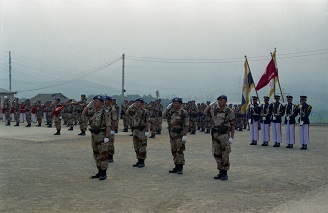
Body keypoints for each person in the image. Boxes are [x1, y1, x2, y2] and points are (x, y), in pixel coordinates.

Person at [204, 95, 235, 181]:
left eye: (221, 100)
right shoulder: (215, 110)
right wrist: (210, 105)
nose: (219, 102)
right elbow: (205, 112)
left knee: (225, 154)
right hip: (215, 135)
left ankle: (225, 173)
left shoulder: (229, 111)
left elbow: (233, 124)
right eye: (218, 100)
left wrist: (232, 137)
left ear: (225, 101)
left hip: (224, 135)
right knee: (217, 153)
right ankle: (220, 171)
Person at [82, 95, 111, 180]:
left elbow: (108, 125)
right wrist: (88, 105)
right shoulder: (94, 111)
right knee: (96, 154)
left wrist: (107, 137)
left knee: (103, 154)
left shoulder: (105, 112)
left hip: (101, 135)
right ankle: (99, 171)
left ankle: (103, 173)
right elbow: (84, 113)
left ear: (102, 103)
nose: (94, 103)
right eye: (94, 101)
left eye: (96, 101)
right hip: (94, 135)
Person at [163, 97, 189, 174]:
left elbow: (186, 125)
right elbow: (164, 117)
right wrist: (168, 108)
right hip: (172, 134)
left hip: (179, 135)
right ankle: (176, 166)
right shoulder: (171, 112)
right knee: (173, 150)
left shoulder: (184, 113)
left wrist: (185, 135)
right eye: (173, 103)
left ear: (180, 104)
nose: (174, 104)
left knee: (179, 151)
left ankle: (180, 167)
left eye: (176, 103)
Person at [125, 98, 150, 168]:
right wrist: (131, 106)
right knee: (136, 146)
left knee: (142, 146)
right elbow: (126, 113)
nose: (136, 104)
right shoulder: (134, 111)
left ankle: (142, 161)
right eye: (136, 102)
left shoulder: (145, 112)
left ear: (142, 103)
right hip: (135, 131)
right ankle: (138, 160)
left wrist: (147, 131)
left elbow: (148, 121)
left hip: (142, 130)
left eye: (138, 102)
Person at [104, 96, 117, 162]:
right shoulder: (103, 108)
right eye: (104, 100)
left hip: (110, 128)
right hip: (104, 128)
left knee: (110, 143)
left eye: (106, 100)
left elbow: (114, 120)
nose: (104, 101)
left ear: (110, 101)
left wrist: (112, 130)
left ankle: (110, 156)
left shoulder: (112, 109)